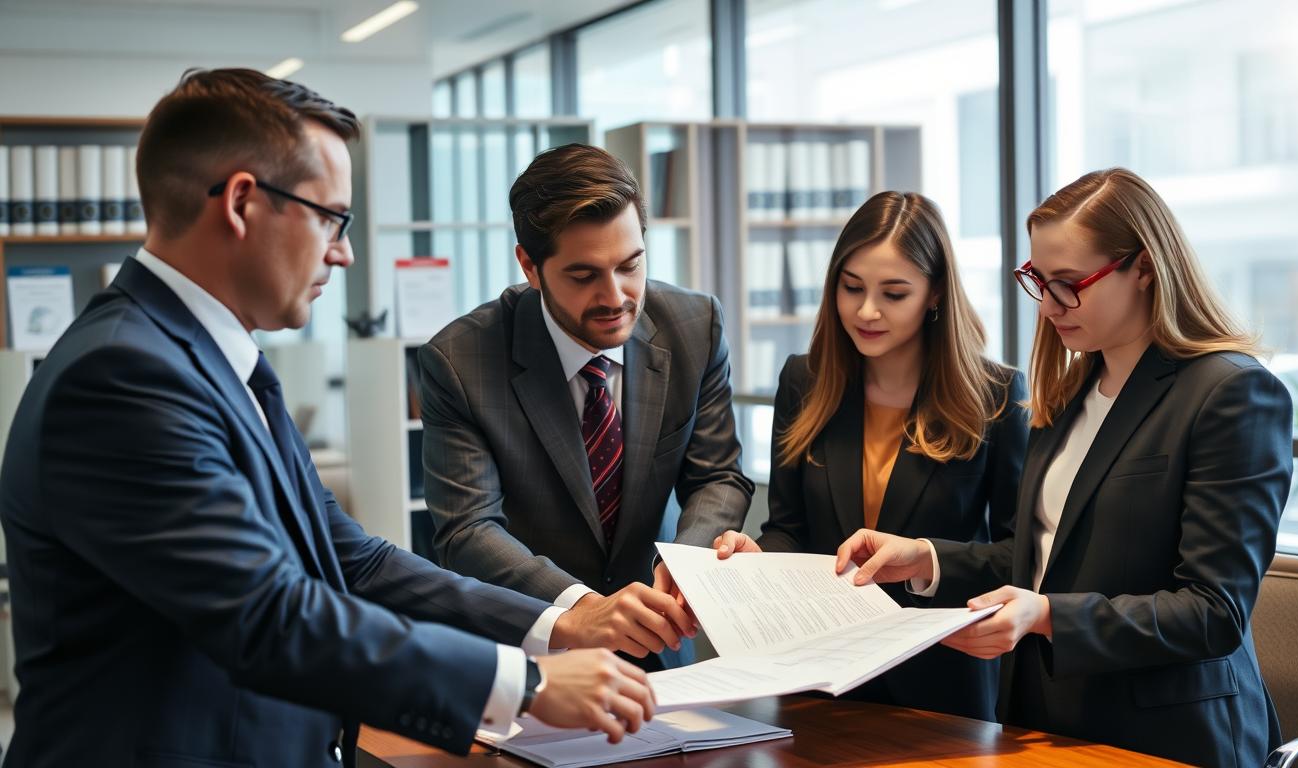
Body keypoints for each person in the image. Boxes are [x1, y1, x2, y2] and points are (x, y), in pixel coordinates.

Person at [0, 69, 656, 768]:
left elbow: (350, 560)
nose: (343, 252)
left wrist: (559, 626)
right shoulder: (123, 378)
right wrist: (522, 684)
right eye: (331, 219)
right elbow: (268, 615)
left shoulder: (214, 359)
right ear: (243, 202)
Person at [834, 168, 1292, 766]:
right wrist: (927, 557)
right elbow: (1045, 558)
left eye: (1071, 283)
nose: (1049, 305)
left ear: (1145, 270)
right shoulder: (1069, 391)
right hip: (1046, 721)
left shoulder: (1229, 394)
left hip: (1166, 737)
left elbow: (1212, 611)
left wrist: (1048, 616)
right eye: (1038, 281)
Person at [418, 143, 755, 668]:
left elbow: (717, 477)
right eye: (584, 275)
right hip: (533, 652)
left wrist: (684, 564)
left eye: (630, 266)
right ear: (530, 265)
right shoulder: (461, 361)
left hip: (662, 644)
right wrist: (583, 609)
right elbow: (468, 529)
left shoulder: (695, 326)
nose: (616, 295)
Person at [713, 192, 1027, 720]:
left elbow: (1021, 554)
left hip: (942, 685)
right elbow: (789, 527)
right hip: (819, 676)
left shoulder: (994, 395)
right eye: (851, 287)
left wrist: (926, 558)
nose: (866, 311)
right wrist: (757, 560)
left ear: (934, 295)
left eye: (894, 293)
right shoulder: (804, 380)